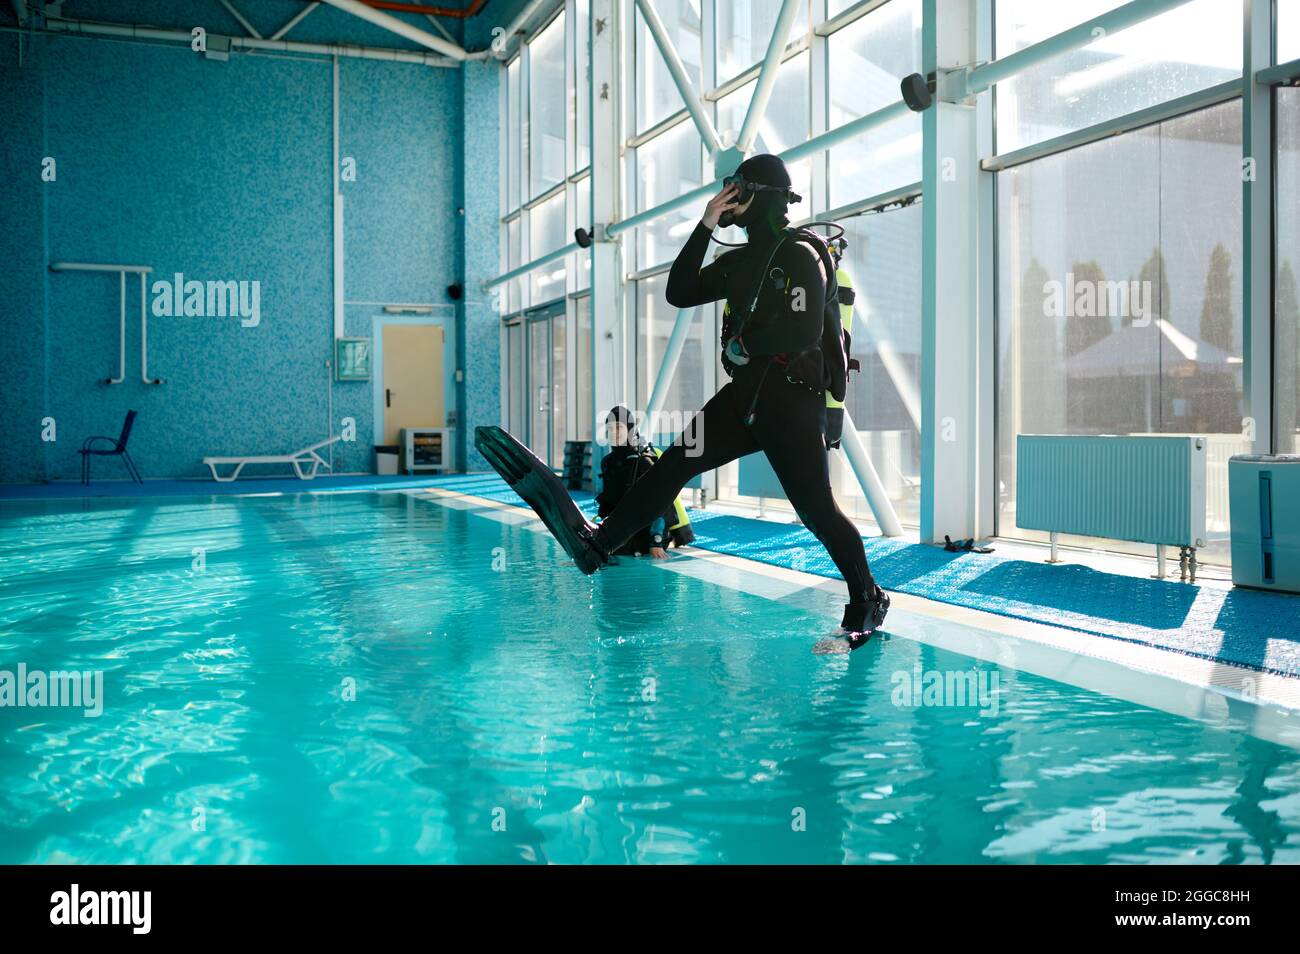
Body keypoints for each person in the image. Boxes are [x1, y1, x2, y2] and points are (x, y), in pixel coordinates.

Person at [570, 154, 889, 650]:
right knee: (673, 463)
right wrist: (705, 223)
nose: (729, 195)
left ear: (760, 195)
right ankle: (600, 544)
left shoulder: (800, 254)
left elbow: (804, 329)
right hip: (744, 397)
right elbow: (679, 291)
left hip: (790, 399)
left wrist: (749, 347)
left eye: (737, 188)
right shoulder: (736, 262)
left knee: (816, 509)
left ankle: (867, 597)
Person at [595, 405, 677, 559]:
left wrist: (656, 541)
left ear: (630, 429)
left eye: (619, 427)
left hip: (648, 536)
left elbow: (662, 504)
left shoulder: (643, 462)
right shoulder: (608, 462)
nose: (614, 432)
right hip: (624, 532)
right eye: (610, 428)